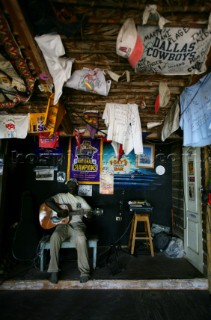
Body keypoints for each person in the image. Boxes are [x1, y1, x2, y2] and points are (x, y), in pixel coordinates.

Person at [44, 178, 92, 284]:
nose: (71, 186)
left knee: (81, 238)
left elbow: (89, 214)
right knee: (55, 236)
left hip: (77, 225)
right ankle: (54, 271)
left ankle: (84, 272)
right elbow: (48, 201)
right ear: (67, 185)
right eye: (69, 184)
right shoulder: (61, 196)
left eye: (73, 184)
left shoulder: (80, 200)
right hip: (62, 225)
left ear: (76, 186)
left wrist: (89, 215)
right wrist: (59, 211)